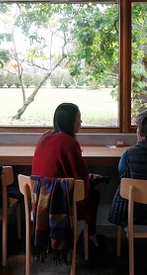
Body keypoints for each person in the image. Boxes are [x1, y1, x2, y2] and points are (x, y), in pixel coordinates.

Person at [31, 102, 102, 247]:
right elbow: (81, 180)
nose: (81, 121)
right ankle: (91, 235)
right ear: (70, 121)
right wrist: (90, 179)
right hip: (58, 205)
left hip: (39, 203)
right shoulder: (69, 143)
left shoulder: (44, 137)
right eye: (79, 118)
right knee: (94, 192)